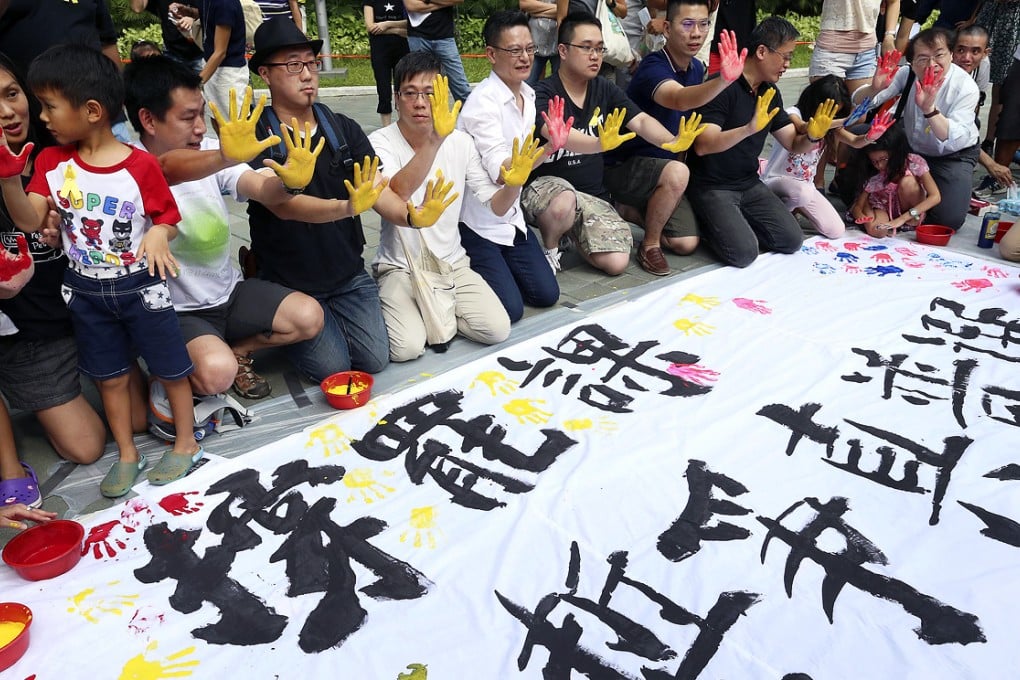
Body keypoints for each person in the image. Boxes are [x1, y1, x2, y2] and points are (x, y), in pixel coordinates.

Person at [0, 45, 203, 498]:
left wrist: (157, 234)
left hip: (141, 286)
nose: (42, 116)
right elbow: (31, 220)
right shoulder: (53, 164)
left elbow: (168, 217)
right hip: (86, 291)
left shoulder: (139, 165)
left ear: (91, 110)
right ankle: (129, 454)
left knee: (171, 368)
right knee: (109, 376)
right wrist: (10, 179)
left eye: (50, 105)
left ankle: (187, 443)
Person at [123, 56, 325, 400]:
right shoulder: (126, 166)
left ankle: (238, 349)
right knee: (217, 375)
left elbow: (261, 189)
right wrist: (225, 157)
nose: (200, 127)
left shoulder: (212, 150)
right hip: (177, 312)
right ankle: (175, 364)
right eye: (188, 117)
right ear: (148, 120)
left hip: (228, 295)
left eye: (202, 113)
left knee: (309, 317)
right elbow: (164, 169)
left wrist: (291, 183)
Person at [246, 19, 414, 382]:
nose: (307, 74)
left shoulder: (342, 127)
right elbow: (284, 207)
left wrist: (412, 216)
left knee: (374, 360)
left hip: (347, 273)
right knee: (332, 370)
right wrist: (347, 208)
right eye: (293, 65)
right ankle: (274, 320)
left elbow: (377, 190)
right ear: (265, 73)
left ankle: (328, 320)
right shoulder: (256, 137)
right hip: (291, 283)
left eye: (311, 63)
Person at [0, 52, 118, 507]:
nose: (8, 111)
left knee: (140, 419)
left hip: (81, 308)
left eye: (12, 95)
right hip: (24, 335)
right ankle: (9, 461)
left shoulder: (58, 152)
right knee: (86, 446)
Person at [370, 51, 525, 361]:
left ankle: (435, 314)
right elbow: (396, 192)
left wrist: (514, 182)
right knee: (406, 349)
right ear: (396, 98)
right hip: (401, 267)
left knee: (497, 329)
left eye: (430, 93)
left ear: (443, 96)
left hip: (452, 264)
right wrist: (435, 140)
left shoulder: (461, 142)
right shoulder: (379, 141)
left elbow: (495, 205)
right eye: (409, 93)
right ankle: (422, 312)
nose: (419, 102)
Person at [525, 12, 704, 277]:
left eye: (599, 48)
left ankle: (575, 233)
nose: (595, 55)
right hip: (549, 191)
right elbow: (558, 135)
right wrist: (598, 143)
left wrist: (673, 141)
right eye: (586, 47)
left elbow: (641, 121)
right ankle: (551, 247)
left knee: (617, 264)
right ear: (562, 51)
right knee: (562, 204)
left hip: (592, 195)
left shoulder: (604, 89)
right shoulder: (543, 92)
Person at [607, 0, 750, 271]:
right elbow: (679, 99)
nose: (696, 32)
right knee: (678, 173)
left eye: (703, 24)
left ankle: (629, 210)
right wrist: (722, 81)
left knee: (685, 243)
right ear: (667, 28)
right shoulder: (653, 67)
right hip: (626, 166)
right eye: (687, 24)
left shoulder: (696, 68)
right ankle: (649, 245)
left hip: (666, 166)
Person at [687, 16, 836, 268]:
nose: (788, 64)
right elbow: (703, 145)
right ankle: (704, 221)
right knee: (744, 254)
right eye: (785, 56)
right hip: (712, 185)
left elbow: (792, 142)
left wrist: (813, 136)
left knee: (791, 240)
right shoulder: (721, 84)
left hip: (748, 183)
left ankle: (733, 224)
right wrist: (748, 129)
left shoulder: (769, 91)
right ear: (762, 51)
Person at [456, 11, 560, 323]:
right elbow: (504, 173)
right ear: (491, 54)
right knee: (511, 311)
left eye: (530, 49)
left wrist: (552, 146)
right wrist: (544, 150)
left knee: (547, 295)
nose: (525, 57)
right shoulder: (482, 105)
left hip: (511, 217)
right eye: (515, 50)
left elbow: (520, 168)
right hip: (478, 222)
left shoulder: (528, 95)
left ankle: (502, 269)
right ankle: (463, 273)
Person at [853, 27, 980, 230]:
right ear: (911, 63)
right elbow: (859, 104)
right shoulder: (907, 75)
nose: (932, 65)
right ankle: (880, 201)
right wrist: (874, 87)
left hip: (951, 155)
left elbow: (950, 137)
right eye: (922, 58)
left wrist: (929, 110)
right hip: (912, 149)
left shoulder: (965, 87)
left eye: (939, 55)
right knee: (859, 135)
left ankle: (912, 206)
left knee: (949, 220)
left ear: (951, 55)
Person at [762, 75, 877, 238]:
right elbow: (804, 127)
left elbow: (854, 141)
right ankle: (778, 216)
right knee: (800, 193)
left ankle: (794, 207)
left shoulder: (832, 126)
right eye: (829, 113)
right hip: (776, 180)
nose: (832, 118)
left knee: (835, 230)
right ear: (816, 102)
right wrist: (844, 120)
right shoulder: (794, 113)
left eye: (836, 114)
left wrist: (870, 137)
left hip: (805, 187)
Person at [950, 25, 1014, 196]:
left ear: (985, 53)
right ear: (951, 48)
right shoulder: (941, 66)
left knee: (974, 124)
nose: (966, 58)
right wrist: (990, 164)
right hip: (929, 129)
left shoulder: (983, 66)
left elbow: (971, 116)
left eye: (975, 52)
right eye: (960, 50)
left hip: (954, 132)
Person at [848, 122, 942, 238]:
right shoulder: (874, 175)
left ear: (896, 152)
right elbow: (860, 204)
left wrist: (903, 218)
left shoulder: (914, 162)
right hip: (883, 207)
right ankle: (890, 222)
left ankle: (907, 220)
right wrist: (865, 216)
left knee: (908, 183)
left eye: (884, 159)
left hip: (910, 212)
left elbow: (935, 196)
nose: (880, 166)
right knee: (878, 231)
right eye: (874, 161)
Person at [402, 0, 471, 103]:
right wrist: (444, 3)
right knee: (420, 85)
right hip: (418, 37)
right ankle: (424, 117)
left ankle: (472, 117)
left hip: (445, 38)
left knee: (460, 86)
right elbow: (411, 5)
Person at [364, 0, 409, 126]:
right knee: (383, 89)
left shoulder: (403, 1)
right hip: (380, 51)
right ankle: (386, 127)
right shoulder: (370, 2)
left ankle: (404, 124)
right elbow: (371, 27)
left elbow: (410, 24)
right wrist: (396, 30)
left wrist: (386, 24)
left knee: (402, 87)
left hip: (402, 50)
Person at [131, 0, 204, 72]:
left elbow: (212, 11)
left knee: (203, 82)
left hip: (202, 50)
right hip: (172, 52)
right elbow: (137, 8)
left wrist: (195, 20)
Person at [521, 0, 560, 85]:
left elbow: (568, 11)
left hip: (560, 43)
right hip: (534, 42)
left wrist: (536, 11)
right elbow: (524, 4)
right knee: (527, 87)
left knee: (561, 88)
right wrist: (557, 10)